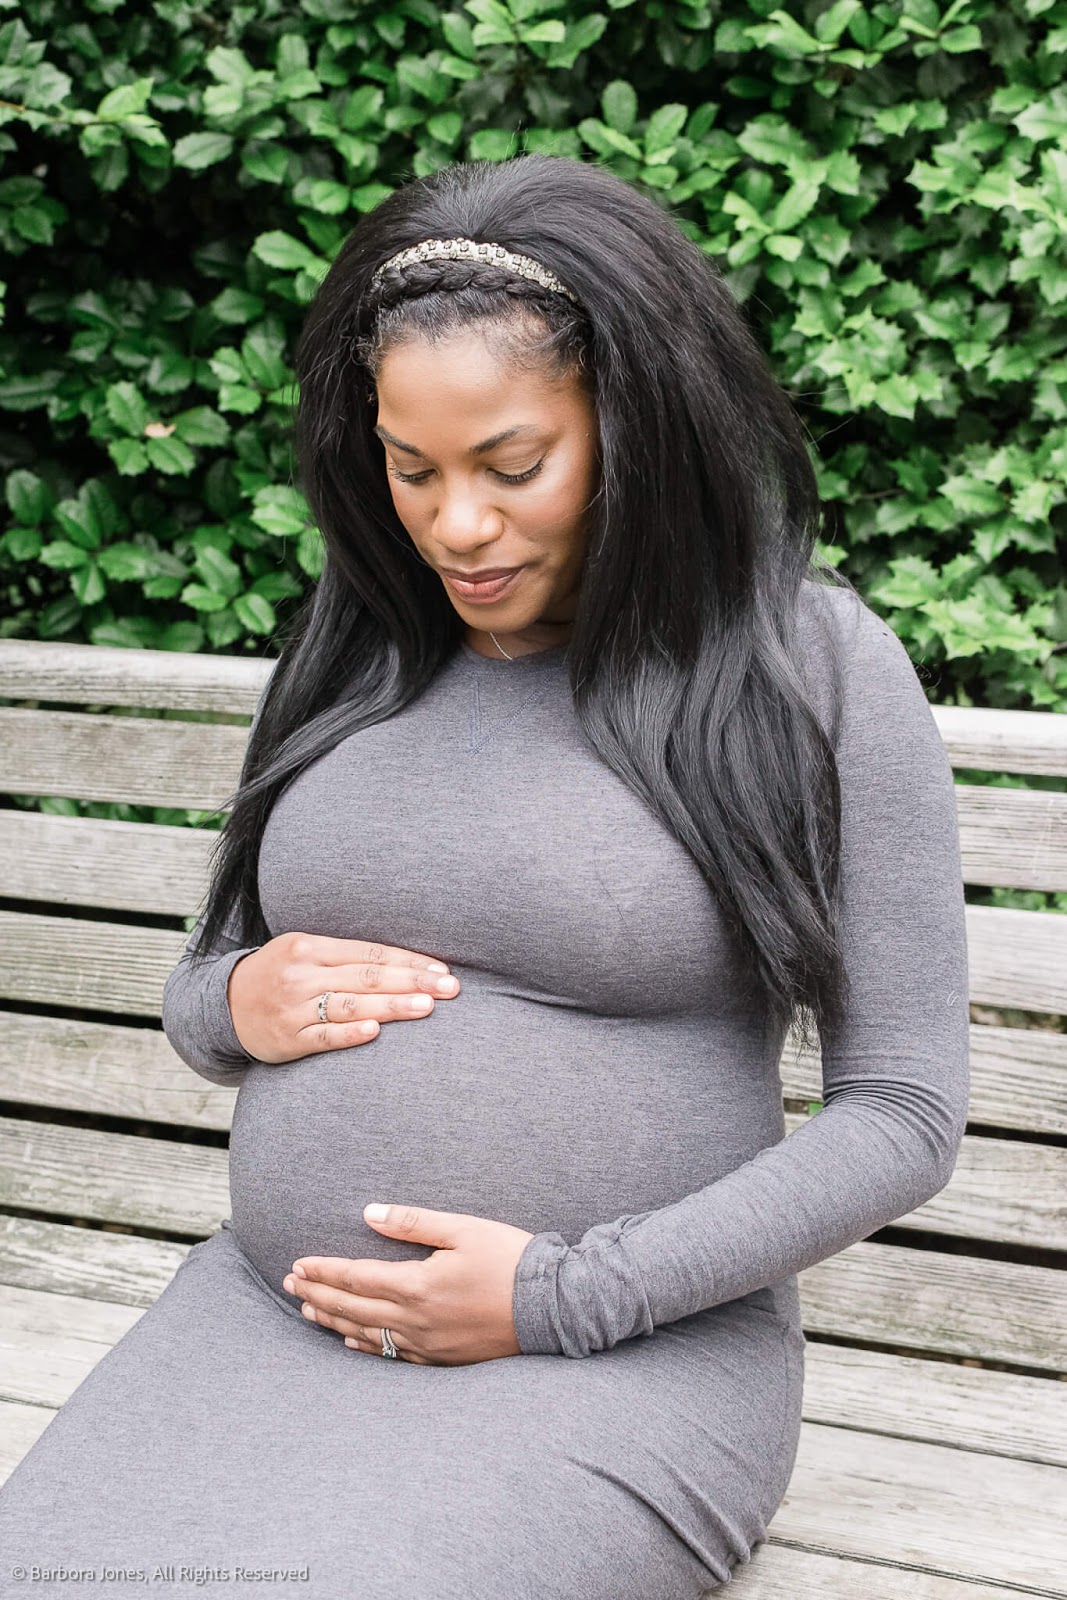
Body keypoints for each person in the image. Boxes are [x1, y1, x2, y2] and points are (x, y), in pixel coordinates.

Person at [0, 153, 970, 1598]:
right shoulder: (361, 640)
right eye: (413, 469)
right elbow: (207, 987)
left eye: (513, 466)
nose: (457, 522)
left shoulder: (806, 663)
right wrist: (238, 1002)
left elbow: (904, 1112)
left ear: (635, 427)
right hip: (266, 1327)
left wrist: (567, 1294)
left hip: (619, 1363)